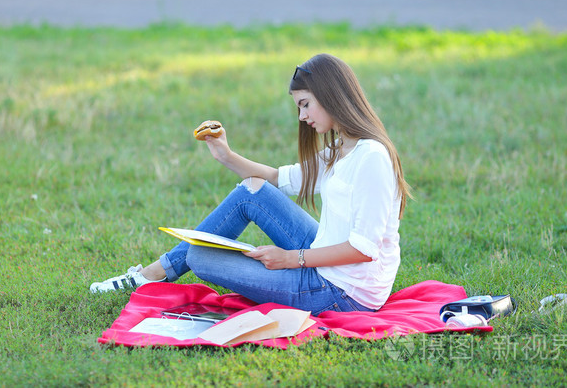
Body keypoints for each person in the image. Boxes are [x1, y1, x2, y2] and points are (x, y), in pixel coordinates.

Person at [90, 53, 411, 314]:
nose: (301, 116)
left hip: (343, 294)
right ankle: (151, 275)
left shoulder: (371, 157)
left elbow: (362, 249)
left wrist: (291, 258)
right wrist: (224, 154)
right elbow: (278, 179)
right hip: (326, 261)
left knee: (200, 257)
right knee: (252, 191)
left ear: (330, 96)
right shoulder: (342, 146)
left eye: (304, 104)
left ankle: (151, 276)